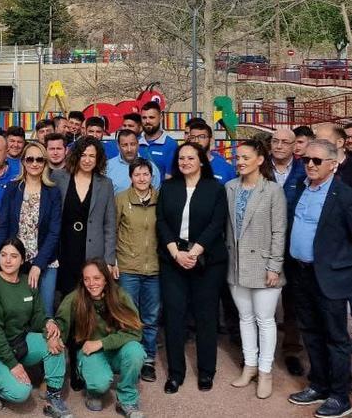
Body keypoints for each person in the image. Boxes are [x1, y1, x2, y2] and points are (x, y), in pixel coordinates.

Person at [286, 139, 352, 418]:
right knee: (310, 332)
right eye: (306, 160)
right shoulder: (301, 188)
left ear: (333, 164)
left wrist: (339, 265)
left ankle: (339, 396)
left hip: (330, 278)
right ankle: (318, 385)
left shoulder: (346, 196)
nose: (309, 164)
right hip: (301, 273)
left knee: (336, 338)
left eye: (317, 161)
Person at [157, 141, 228, 393]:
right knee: (174, 318)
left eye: (190, 158)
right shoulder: (167, 187)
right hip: (173, 260)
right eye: (181, 158)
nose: (185, 162)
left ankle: (206, 372)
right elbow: (162, 221)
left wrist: (195, 252)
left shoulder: (215, 188)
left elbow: (216, 223)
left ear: (201, 161)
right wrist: (176, 253)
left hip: (207, 262)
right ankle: (176, 374)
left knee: (205, 317)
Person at [312, 121, 352, 393]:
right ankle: (331, 371)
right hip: (326, 262)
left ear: (337, 144)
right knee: (331, 319)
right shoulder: (313, 175)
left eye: (321, 138)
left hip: (351, 260)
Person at [0, 238, 71, 417]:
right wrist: (13, 365)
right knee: (21, 392)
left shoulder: (28, 282)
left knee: (55, 342)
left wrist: (48, 326)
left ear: (23, 259)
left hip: (19, 341)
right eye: (3, 255)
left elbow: (38, 316)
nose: (7, 260)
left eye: (14, 256)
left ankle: (53, 396)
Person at [225, 140, 288, 399]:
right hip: (236, 265)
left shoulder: (272, 190)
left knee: (265, 320)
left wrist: (274, 266)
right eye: (237, 157)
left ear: (260, 160)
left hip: (264, 267)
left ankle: (265, 371)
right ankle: (249, 366)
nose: (239, 161)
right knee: (245, 318)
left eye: (245, 157)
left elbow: (279, 230)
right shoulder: (229, 188)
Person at [53, 261, 146, 418]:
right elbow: (61, 323)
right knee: (100, 384)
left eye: (97, 278)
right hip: (90, 353)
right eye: (87, 279)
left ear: (105, 279)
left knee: (136, 351)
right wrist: (55, 336)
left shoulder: (120, 295)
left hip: (116, 350)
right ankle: (93, 392)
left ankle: (127, 399)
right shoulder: (75, 297)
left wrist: (102, 343)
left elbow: (135, 332)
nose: (91, 283)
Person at [0, 141, 63, 314]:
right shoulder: (12, 188)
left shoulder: (53, 192)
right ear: (23, 161)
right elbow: (2, 225)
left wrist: (38, 265)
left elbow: (55, 232)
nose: (34, 164)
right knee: (17, 312)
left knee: (45, 312)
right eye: (30, 159)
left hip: (46, 261)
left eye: (39, 160)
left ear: (45, 163)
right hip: (15, 261)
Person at [113, 157, 161, 384]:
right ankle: (129, 357)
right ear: (130, 177)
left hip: (154, 268)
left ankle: (149, 360)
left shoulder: (161, 199)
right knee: (128, 316)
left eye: (145, 174)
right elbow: (111, 231)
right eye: (137, 174)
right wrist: (111, 261)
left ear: (152, 176)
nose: (142, 179)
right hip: (128, 266)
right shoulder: (121, 199)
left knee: (150, 317)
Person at [50, 136, 116, 296]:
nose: (87, 160)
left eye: (92, 156)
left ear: (98, 158)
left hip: (93, 251)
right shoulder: (59, 177)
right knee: (66, 295)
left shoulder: (105, 183)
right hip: (64, 248)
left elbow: (110, 224)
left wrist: (109, 260)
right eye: (83, 155)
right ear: (76, 155)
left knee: (90, 297)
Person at [269, 127, 307, 378]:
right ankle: (261, 353)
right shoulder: (260, 169)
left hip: (294, 246)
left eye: (285, 142)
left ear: (295, 146)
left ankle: (292, 350)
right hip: (264, 245)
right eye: (275, 141)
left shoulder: (305, 170)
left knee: (294, 301)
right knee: (264, 302)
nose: (279, 145)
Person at [138, 102, 177, 179]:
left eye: (151, 117)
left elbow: (170, 178)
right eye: (144, 118)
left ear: (161, 118)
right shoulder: (134, 143)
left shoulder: (171, 145)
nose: (147, 121)